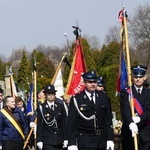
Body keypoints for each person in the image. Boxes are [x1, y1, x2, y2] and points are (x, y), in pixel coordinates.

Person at [67, 70, 114, 150]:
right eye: (90, 82)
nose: (93, 84)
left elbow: (108, 120)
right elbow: (71, 123)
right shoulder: (77, 99)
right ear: (84, 82)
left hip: (101, 140)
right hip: (85, 140)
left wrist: (110, 138)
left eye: (95, 82)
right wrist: (72, 143)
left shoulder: (103, 96)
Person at [120, 65, 150, 150]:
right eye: (136, 76)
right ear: (132, 77)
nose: (138, 79)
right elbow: (124, 109)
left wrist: (140, 118)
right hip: (129, 131)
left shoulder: (148, 93)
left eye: (140, 77)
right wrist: (130, 123)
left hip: (145, 131)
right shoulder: (126, 92)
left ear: (144, 78)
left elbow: (149, 110)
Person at [36, 84, 67, 150]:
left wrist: (66, 138)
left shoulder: (60, 106)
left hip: (59, 139)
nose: (51, 96)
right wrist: (39, 140)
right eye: (49, 94)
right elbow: (40, 125)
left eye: (52, 94)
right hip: (47, 140)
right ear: (45, 95)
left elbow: (63, 123)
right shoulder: (42, 107)